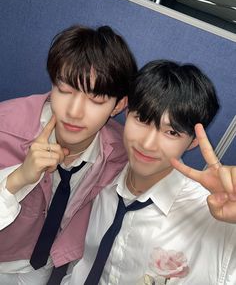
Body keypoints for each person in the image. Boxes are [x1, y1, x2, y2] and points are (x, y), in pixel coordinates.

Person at [61, 60, 236, 285]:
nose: (148, 143)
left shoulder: (213, 215)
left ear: (192, 142)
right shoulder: (100, 180)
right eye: (142, 119)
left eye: (171, 132)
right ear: (126, 113)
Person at [0, 24, 137, 285]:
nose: (74, 111)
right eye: (64, 90)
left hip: (41, 267)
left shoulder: (122, 152)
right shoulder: (5, 127)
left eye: (96, 100)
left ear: (118, 105)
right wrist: (19, 178)